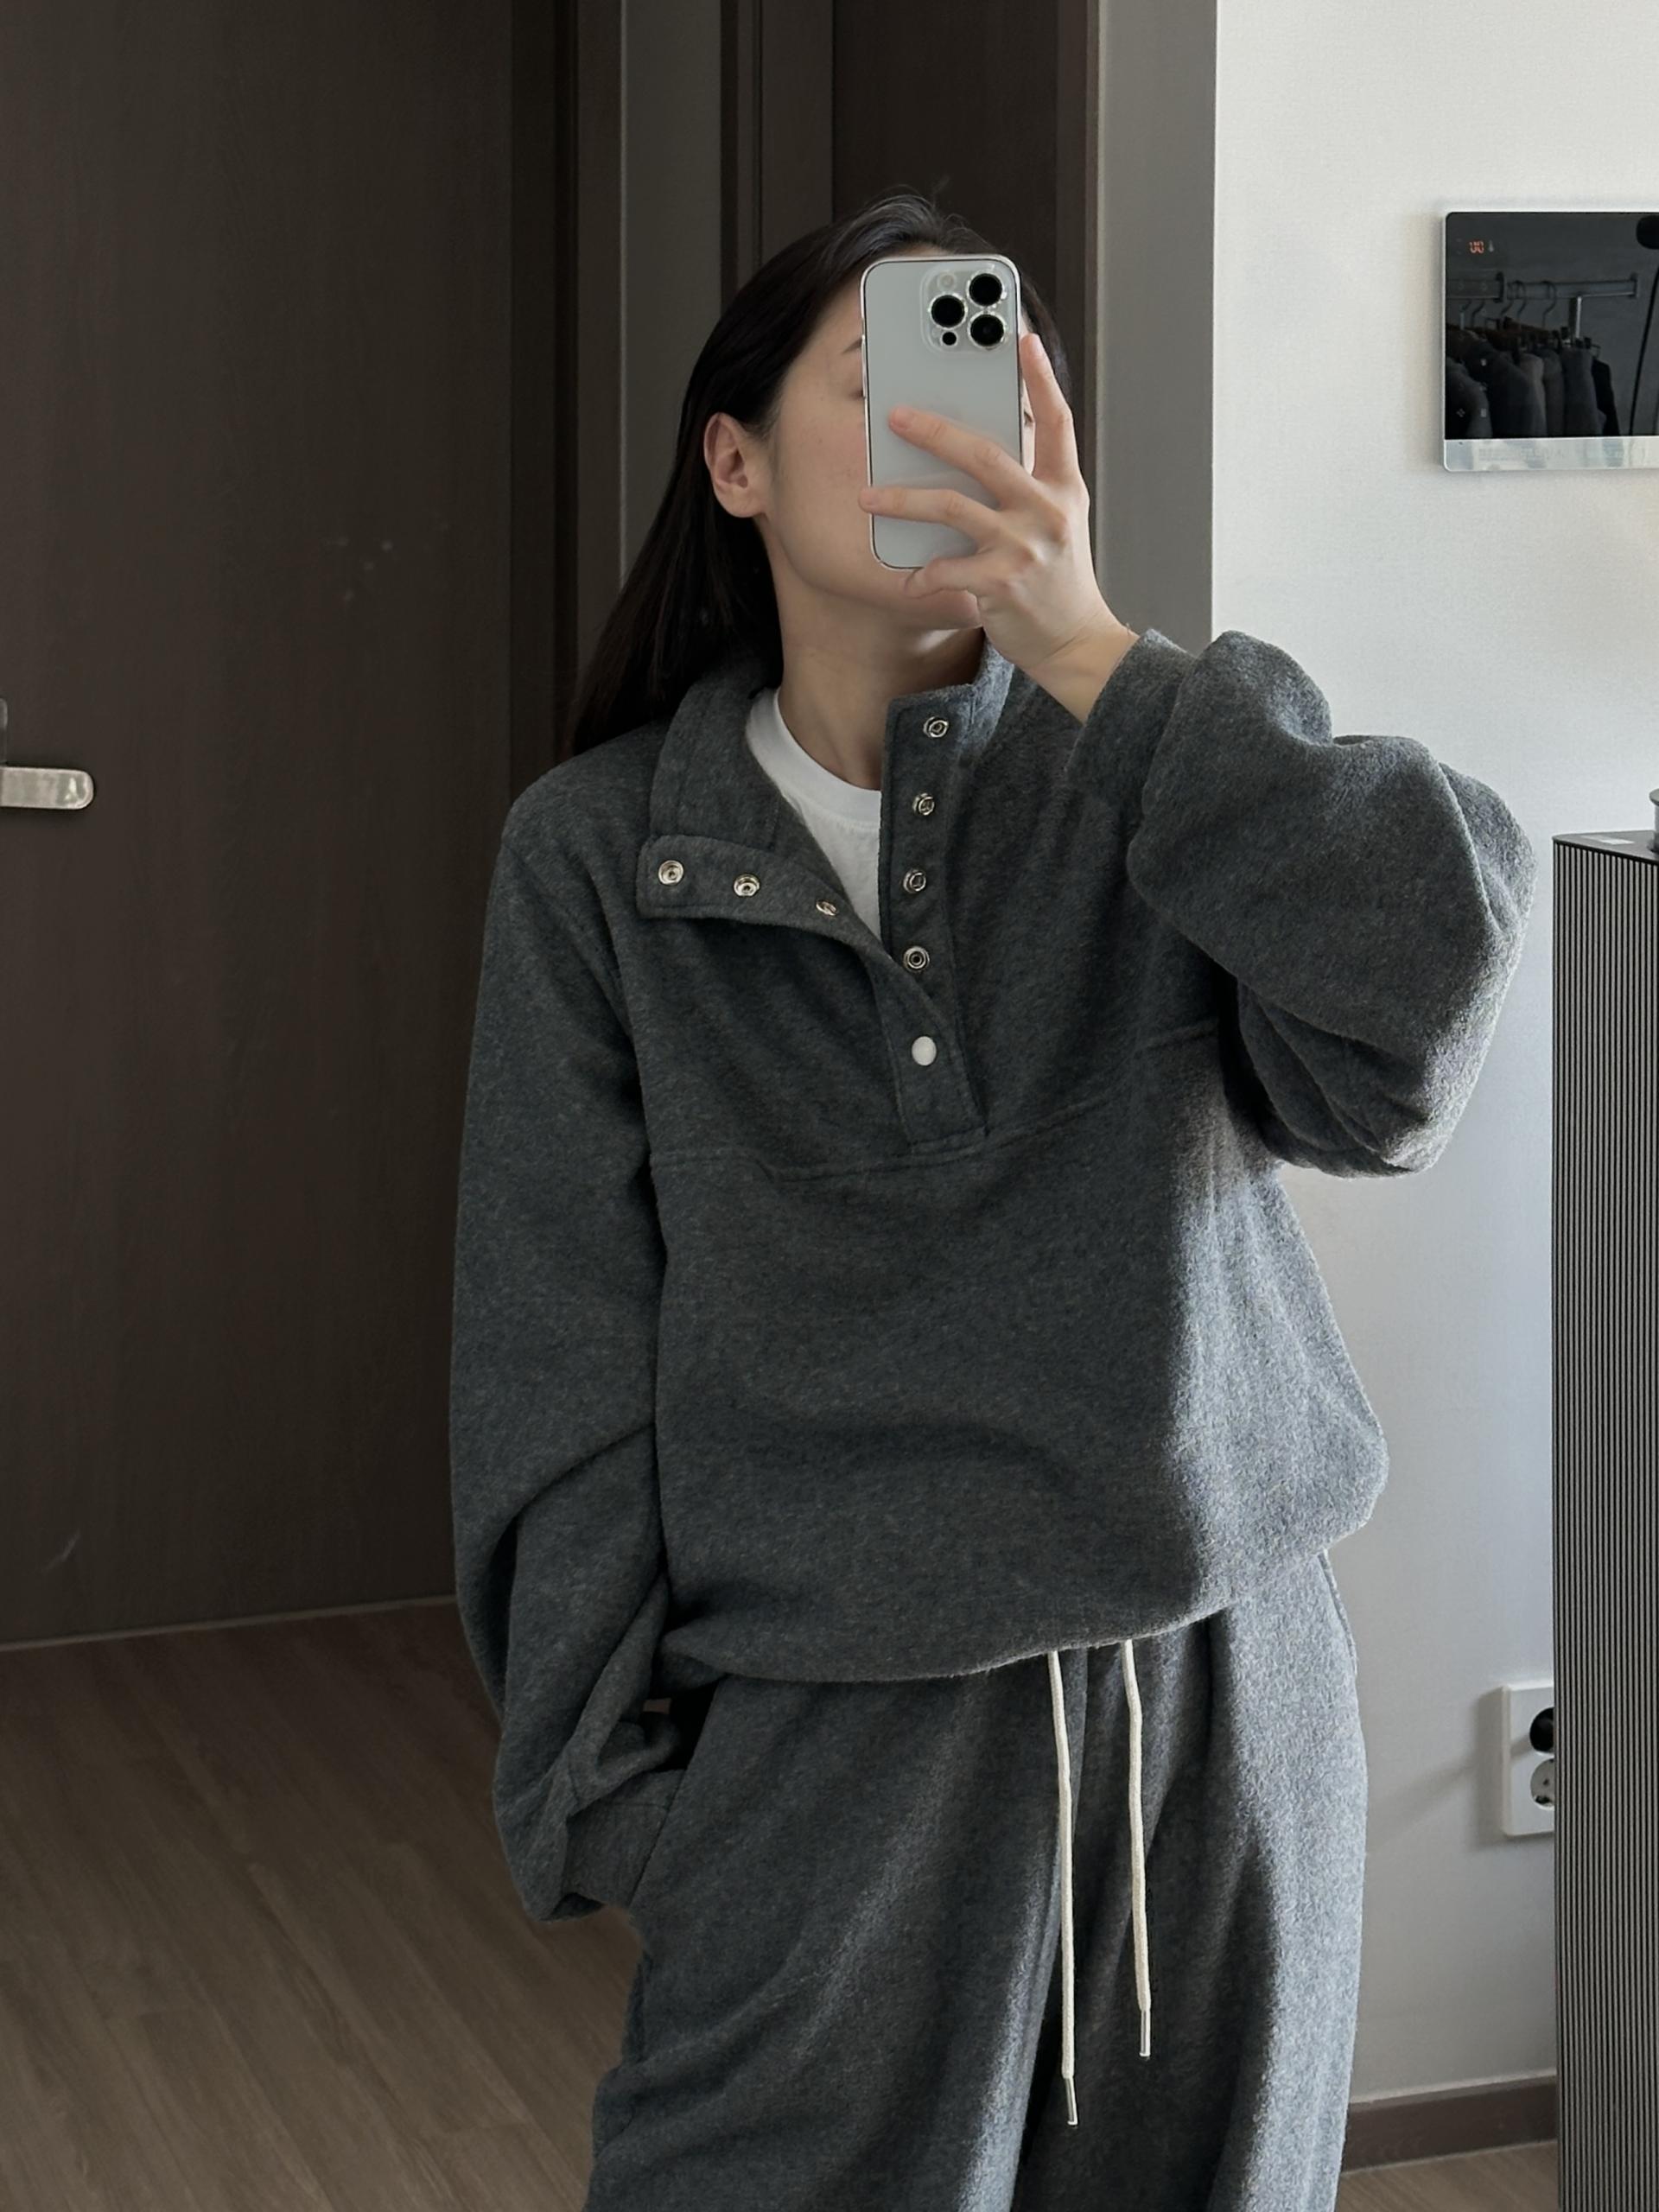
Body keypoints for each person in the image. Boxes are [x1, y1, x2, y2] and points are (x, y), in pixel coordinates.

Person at [448, 191, 1536, 2211]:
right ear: (735, 462)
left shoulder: (1163, 769)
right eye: (884, 382)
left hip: (1223, 1728)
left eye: (988, 380)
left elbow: (1431, 991)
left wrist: (1096, 655)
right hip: (834, 1781)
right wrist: (640, 1817)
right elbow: (554, 1354)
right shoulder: (594, 862)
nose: (948, 430)